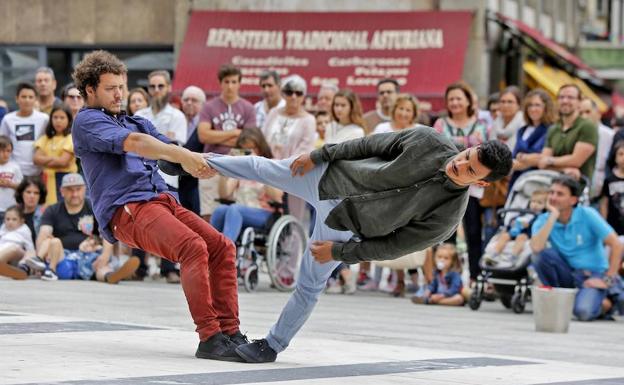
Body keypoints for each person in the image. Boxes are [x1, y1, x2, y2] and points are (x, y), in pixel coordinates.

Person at [187, 127, 512, 363]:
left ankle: (271, 346)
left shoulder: (447, 217)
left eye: (470, 170)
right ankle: (197, 160)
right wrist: (318, 155)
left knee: (309, 285)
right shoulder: (430, 140)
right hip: (331, 176)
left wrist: (341, 254)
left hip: (344, 227)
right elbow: (368, 144)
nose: (460, 164)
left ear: (480, 183)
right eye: (466, 156)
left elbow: (394, 246)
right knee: (261, 167)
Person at [71, 50, 245, 362]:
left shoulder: (136, 120)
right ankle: (209, 337)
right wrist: (185, 157)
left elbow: (170, 154)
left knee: (222, 247)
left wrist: (205, 164)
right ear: (90, 90)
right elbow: (136, 145)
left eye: (121, 87)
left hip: (161, 200)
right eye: (111, 88)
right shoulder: (87, 121)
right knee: (193, 248)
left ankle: (230, 333)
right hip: (127, 208)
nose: (119, 94)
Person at [530, 175, 623, 321]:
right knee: (540, 256)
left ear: (573, 200)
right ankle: (561, 299)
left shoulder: (587, 214)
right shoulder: (544, 219)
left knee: (583, 312)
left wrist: (607, 280)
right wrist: (553, 216)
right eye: (551, 192)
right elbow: (536, 248)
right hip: (569, 273)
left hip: (592, 275)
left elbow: (616, 244)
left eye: (560, 194)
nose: (553, 197)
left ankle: (607, 303)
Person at [24, 173, 140, 283]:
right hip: (63, 255)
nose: (74, 194)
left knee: (101, 265)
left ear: (85, 189)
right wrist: (42, 256)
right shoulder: (52, 210)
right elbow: (44, 233)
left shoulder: (94, 208)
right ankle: (32, 268)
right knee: (47, 244)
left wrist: (105, 255)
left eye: (78, 189)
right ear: (62, 191)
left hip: (89, 253)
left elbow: (106, 233)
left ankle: (110, 276)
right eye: (70, 190)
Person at [434, 82, 489, 283]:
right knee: (445, 231)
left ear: (468, 101)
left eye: (459, 98)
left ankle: (475, 276)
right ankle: (445, 277)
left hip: (473, 187)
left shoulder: (481, 125)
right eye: (451, 99)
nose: (455, 102)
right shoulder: (440, 124)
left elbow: (484, 156)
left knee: (473, 231)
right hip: (445, 185)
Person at [197, 64, 255, 222]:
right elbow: (203, 136)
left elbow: (249, 141)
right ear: (221, 83)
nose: (230, 86)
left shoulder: (248, 108)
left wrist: (216, 134)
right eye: (227, 82)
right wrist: (235, 133)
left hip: (237, 164)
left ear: (239, 83)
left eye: (234, 82)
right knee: (209, 214)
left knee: (234, 212)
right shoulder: (209, 107)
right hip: (210, 163)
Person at [211, 128, 282, 242]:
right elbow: (224, 194)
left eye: (252, 148)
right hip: (239, 208)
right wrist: (224, 168)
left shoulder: (271, 163)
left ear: (260, 147)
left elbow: (277, 196)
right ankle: (211, 248)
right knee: (220, 210)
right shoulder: (241, 169)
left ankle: (225, 252)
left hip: (264, 213)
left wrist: (259, 167)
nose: (249, 153)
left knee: (235, 209)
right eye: (245, 150)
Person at [261, 75, 316, 220]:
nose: (293, 96)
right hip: (267, 169)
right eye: (289, 92)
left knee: (292, 218)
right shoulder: (273, 113)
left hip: (292, 174)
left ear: (303, 96)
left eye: (298, 93)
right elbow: (263, 139)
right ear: (283, 94)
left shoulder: (309, 120)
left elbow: (305, 149)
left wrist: (281, 166)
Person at [135, 70, 188, 192]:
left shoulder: (178, 116)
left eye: (161, 86)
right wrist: (163, 138)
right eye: (152, 86)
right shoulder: (138, 115)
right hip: (140, 179)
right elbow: (135, 147)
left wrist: (146, 140)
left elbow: (174, 150)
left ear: (169, 88)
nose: (156, 90)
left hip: (167, 179)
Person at [537, 84, 598, 182]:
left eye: (570, 97)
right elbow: (542, 163)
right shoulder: (553, 128)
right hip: (551, 185)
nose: (565, 101)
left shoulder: (587, 126)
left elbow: (576, 161)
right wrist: (565, 169)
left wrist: (550, 160)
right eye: (561, 97)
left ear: (579, 102)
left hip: (577, 188)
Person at [0, 82, 48, 177]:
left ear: (35, 99)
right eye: (24, 96)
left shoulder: (44, 119)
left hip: (38, 172)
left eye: (30, 97)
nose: (27, 100)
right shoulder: (8, 119)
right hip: (13, 172)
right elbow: (2, 143)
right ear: (17, 99)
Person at [510, 88, 555, 187]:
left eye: (537, 105)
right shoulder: (522, 130)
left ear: (546, 107)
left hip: (538, 181)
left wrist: (523, 158)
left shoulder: (551, 130)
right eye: (530, 105)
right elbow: (514, 157)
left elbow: (543, 158)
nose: (533, 109)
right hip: (517, 180)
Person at [33, 105, 78, 205]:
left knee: (63, 208)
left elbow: (63, 162)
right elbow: (36, 159)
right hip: (46, 180)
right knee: (46, 208)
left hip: (65, 180)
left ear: (69, 120)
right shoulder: (46, 138)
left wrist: (45, 160)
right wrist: (54, 159)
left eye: (62, 118)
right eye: (55, 117)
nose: (58, 121)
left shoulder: (70, 138)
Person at [489, 189, 547, 258]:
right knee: (504, 236)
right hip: (515, 230)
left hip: (527, 233)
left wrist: (528, 225)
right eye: (533, 201)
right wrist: (512, 222)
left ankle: (514, 255)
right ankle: (495, 253)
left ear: (545, 205)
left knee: (521, 237)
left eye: (539, 203)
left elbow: (538, 226)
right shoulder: (524, 212)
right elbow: (516, 217)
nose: (535, 205)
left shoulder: (542, 216)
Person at [179, 85, 206, 215]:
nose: (189, 103)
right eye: (186, 99)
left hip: (197, 181)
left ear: (202, 105)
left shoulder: (205, 126)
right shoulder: (176, 120)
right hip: (177, 180)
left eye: (194, 100)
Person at [579, 97, 614, 199]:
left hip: (602, 186)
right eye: (581, 113)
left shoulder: (609, 135)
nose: (584, 116)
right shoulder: (578, 133)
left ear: (598, 113)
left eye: (588, 112)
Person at [0, 206, 35, 280]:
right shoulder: (3, 228)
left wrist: (28, 260)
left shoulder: (24, 229)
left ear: (22, 221)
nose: (10, 222)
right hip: (3, 253)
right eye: (7, 219)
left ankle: (22, 268)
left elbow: (30, 248)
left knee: (14, 248)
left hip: (16, 254)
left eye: (14, 219)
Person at [600, 141, 624, 235]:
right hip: (614, 228)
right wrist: (603, 225)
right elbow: (604, 203)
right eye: (621, 154)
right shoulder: (609, 180)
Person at [490, 86, 525, 150]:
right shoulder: (496, 123)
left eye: (510, 102)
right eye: (503, 101)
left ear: (518, 105)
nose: (505, 105)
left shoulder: (524, 125)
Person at [14, 177, 46, 245]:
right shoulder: (13, 212)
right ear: (22, 193)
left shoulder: (46, 214)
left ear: (40, 196)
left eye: (36, 193)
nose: (32, 196)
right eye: (28, 192)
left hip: (36, 252)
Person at [0, 136, 23, 222]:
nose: (5, 154)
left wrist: (10, 184)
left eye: (8, 151)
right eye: (2, 151)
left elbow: (21, 186)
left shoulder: (15, 167)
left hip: (10, 208)